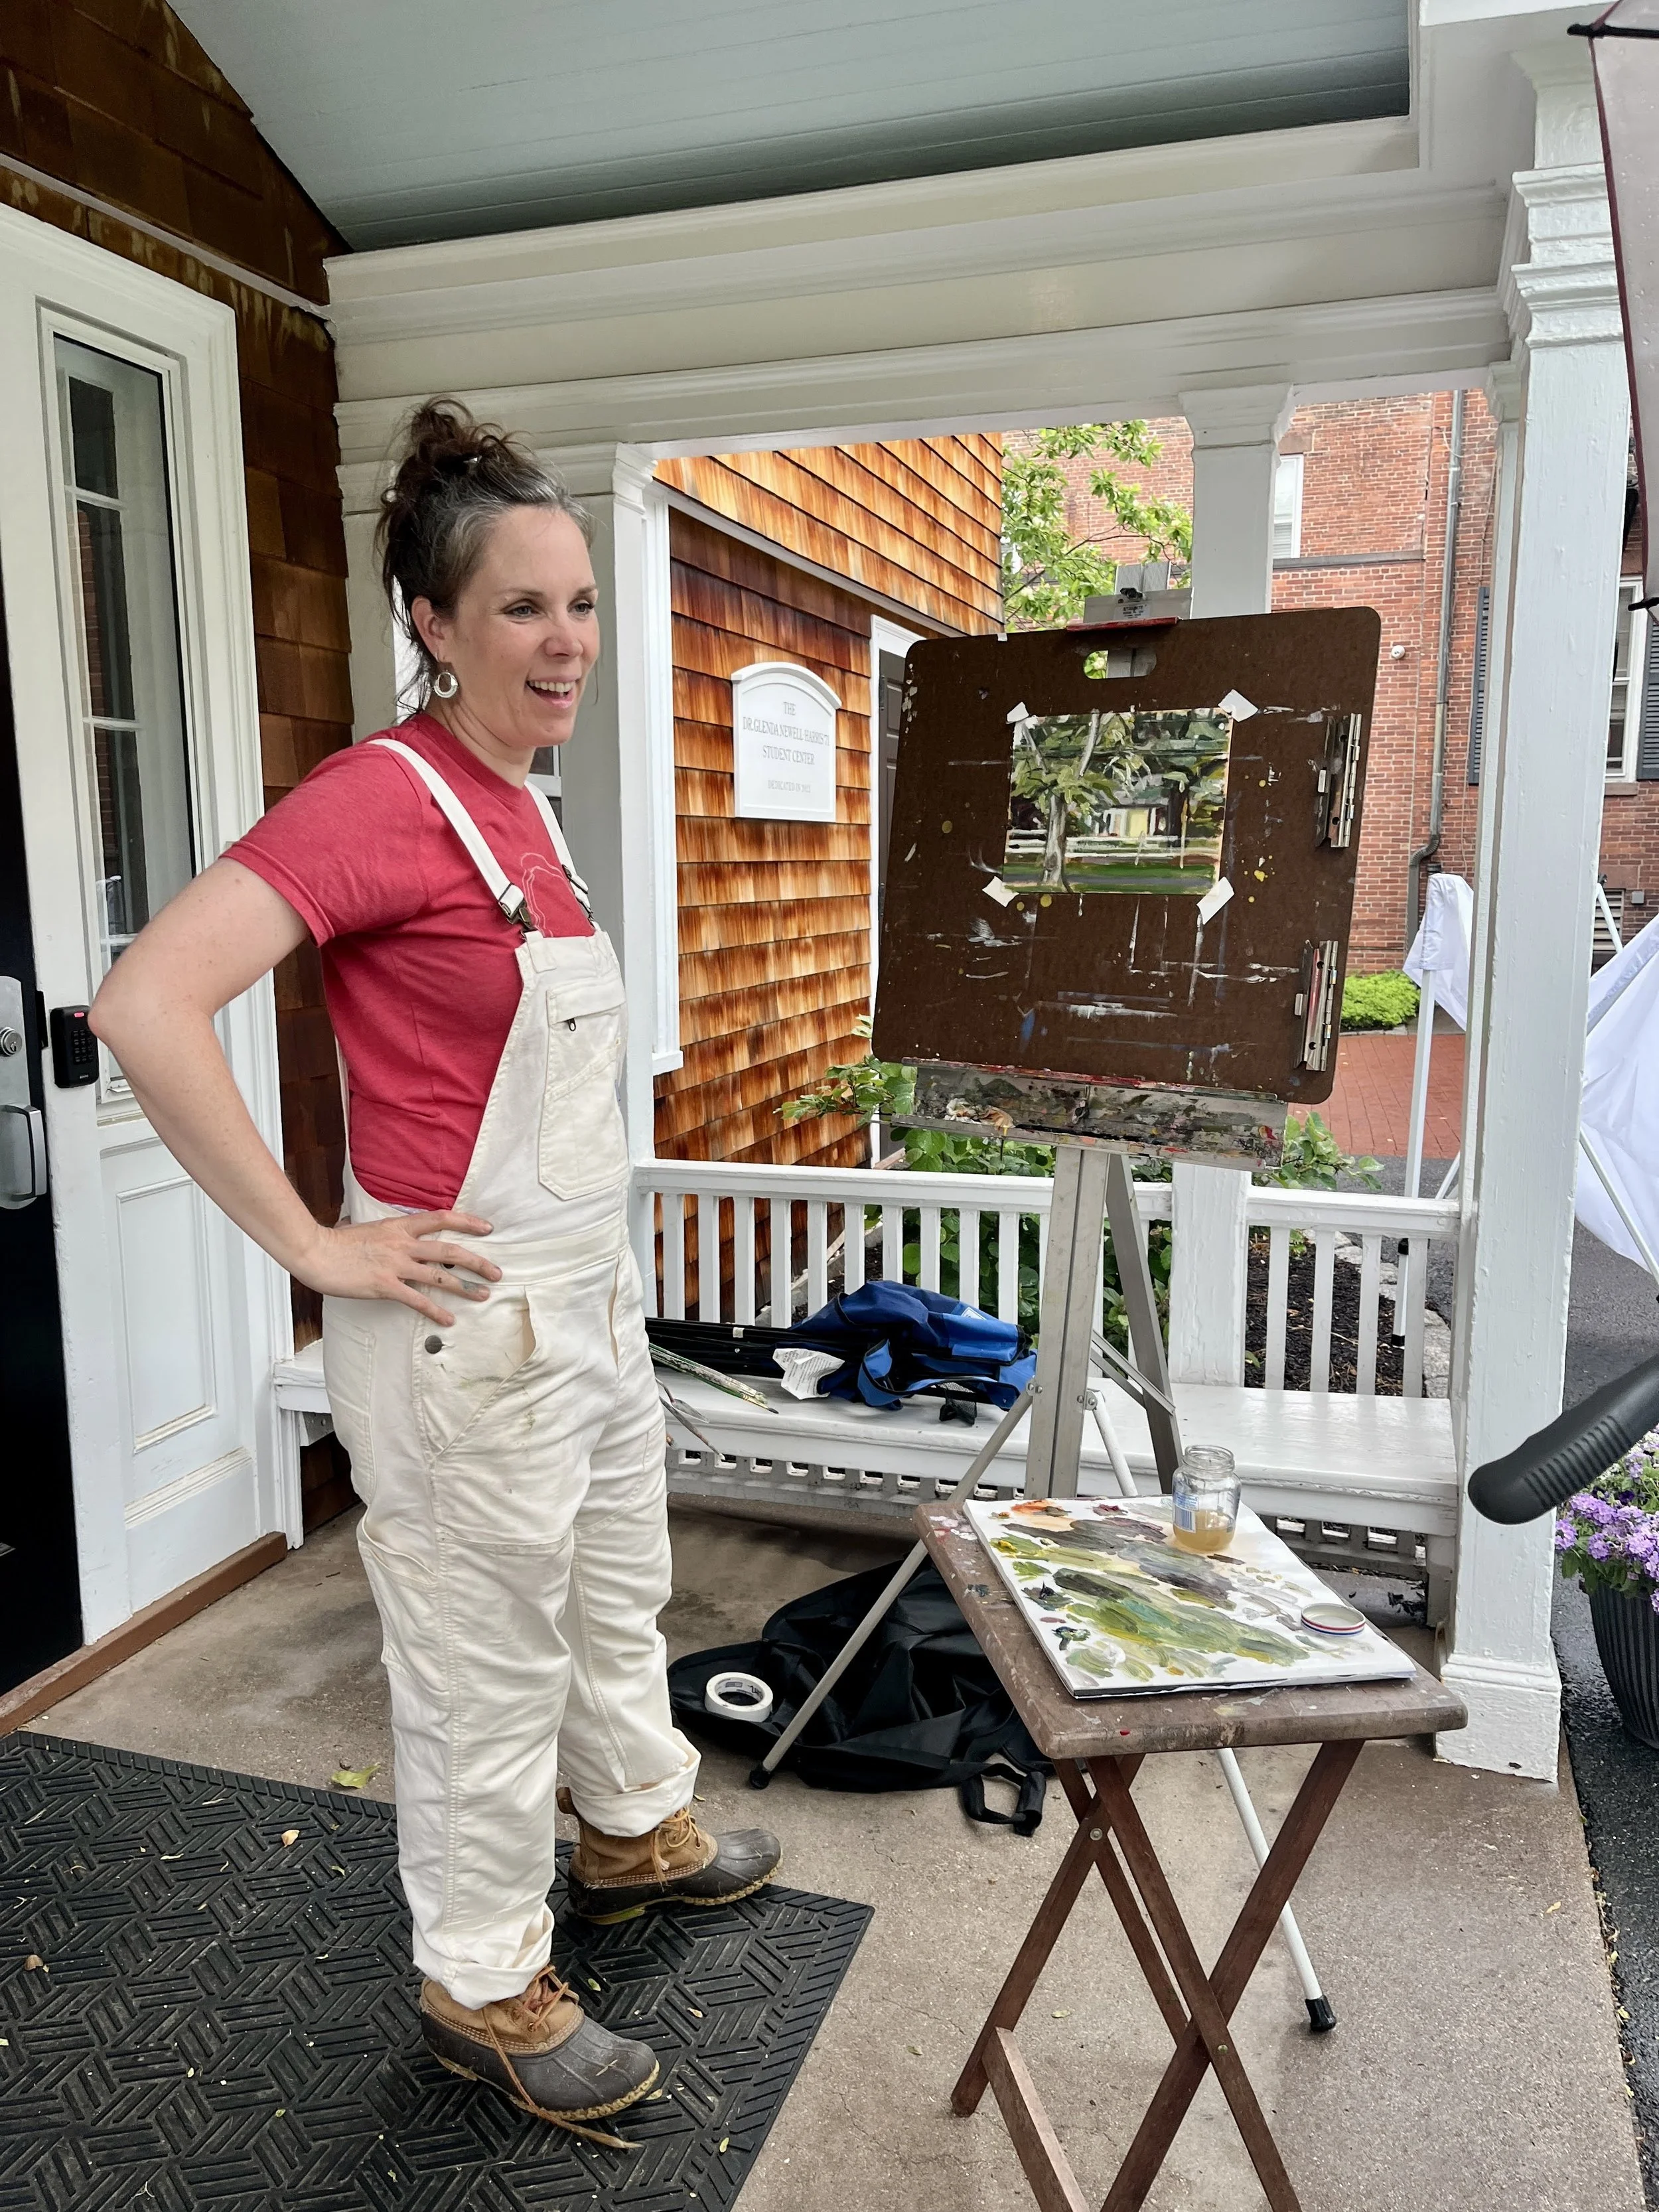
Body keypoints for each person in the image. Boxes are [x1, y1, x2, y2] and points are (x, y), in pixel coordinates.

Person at [90, 398, 779, 2143]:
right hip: (462, 1324)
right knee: (483, 1660)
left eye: (579, 605)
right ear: (431, 621)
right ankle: (480, 1971)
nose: (566, 644)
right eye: (522, 610)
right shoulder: (377, 800)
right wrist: (315, 1243)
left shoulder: (515, 802)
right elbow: (144, 1004)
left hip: (581, 1296)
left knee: (613, 1582)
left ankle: (634, 1820)